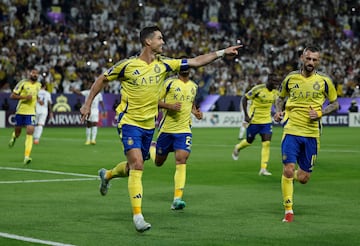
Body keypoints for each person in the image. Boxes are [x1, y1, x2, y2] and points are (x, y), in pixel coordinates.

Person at [80, 25, 242, 232]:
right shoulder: (127, 66)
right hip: (128, 121)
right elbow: (101, 80)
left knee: (132, 166)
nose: (163, 42)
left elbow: (196, 61)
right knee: (138, 164)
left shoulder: (165, 65)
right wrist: (87, 103)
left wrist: (222, 53)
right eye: (160, 38)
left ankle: (108, 175)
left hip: (149, 125)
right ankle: (138, 216)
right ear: (148, 41)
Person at [273, 46, 339, 223]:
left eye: (314, 60)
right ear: (302, 57)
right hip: (291, 130)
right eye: (308, 59)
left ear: (319, 61)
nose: (311, 63)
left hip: (312, 133)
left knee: (303, 178)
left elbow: (335, 104)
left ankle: (289, 178)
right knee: (288, 169)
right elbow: (279, 98)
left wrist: (320, 113)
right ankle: (288, 210)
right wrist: (278, 111)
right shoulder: (290, 78)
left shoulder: (325, 81)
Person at [148, 67, 203, 210]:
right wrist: (169, 106)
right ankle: (152, 149)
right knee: (159, 162)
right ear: (178, 69)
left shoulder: (194, 86)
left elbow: (190, 103)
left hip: (184, 130)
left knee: (181, 159)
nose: (185, 68)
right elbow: (154, 100)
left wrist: (196, 112)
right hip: (166, 130)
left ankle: (177, 199)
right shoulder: (169, 83)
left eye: (188, 66)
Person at [232, 73, 281, 176]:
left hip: (266, 121)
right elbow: (245, 99)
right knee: (249, 141)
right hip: (254, 121)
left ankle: (263, 168)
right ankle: (237, 147)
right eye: (274, 82)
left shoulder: (276, 92)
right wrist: (246, 115)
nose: (276, 84)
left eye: (277, 82)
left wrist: (277, 112)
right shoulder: (258, 89)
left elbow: (277, 102)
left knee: (266, 143)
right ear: (269, 81)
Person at [8, 68, 41, 164]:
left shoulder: (39, 85)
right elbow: (12, 96)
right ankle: (14, 137)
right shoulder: (22, 83)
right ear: (29, 74)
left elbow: (35, 96)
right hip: (21, 111)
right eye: (33, 73)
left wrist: (39, 100)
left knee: (30, 131)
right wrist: (24, 97)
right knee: (18, 132)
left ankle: (26, 156)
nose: (35, 75)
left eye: (36, 73)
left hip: (31, 112)